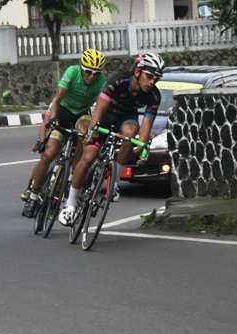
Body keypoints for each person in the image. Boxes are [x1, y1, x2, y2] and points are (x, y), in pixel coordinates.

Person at [58, 52, 164, 226]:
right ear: (138, 72)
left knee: (131, 134)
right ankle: (70, 205)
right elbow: (99, 109)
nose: (152, 81)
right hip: (105, 116)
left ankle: (113, 182)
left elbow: (145, 128)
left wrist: (142, 150)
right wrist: (92, 133)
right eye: (149, 76)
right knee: (88, 157)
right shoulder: (118, 81)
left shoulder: (154, 96)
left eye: (156, 78)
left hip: (125, 120)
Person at [22, 49, 108, 218]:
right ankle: (33, 195)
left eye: (96, 74)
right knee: (49, 154)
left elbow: (99, 108)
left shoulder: (101, 82)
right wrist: (53, 118)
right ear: (82, 68)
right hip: (62, 111)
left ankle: (73, 173)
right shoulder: (72, 72)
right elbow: (57, 100)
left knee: (85, 134)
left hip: (81, 114)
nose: (91, 76)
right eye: (88, 72)